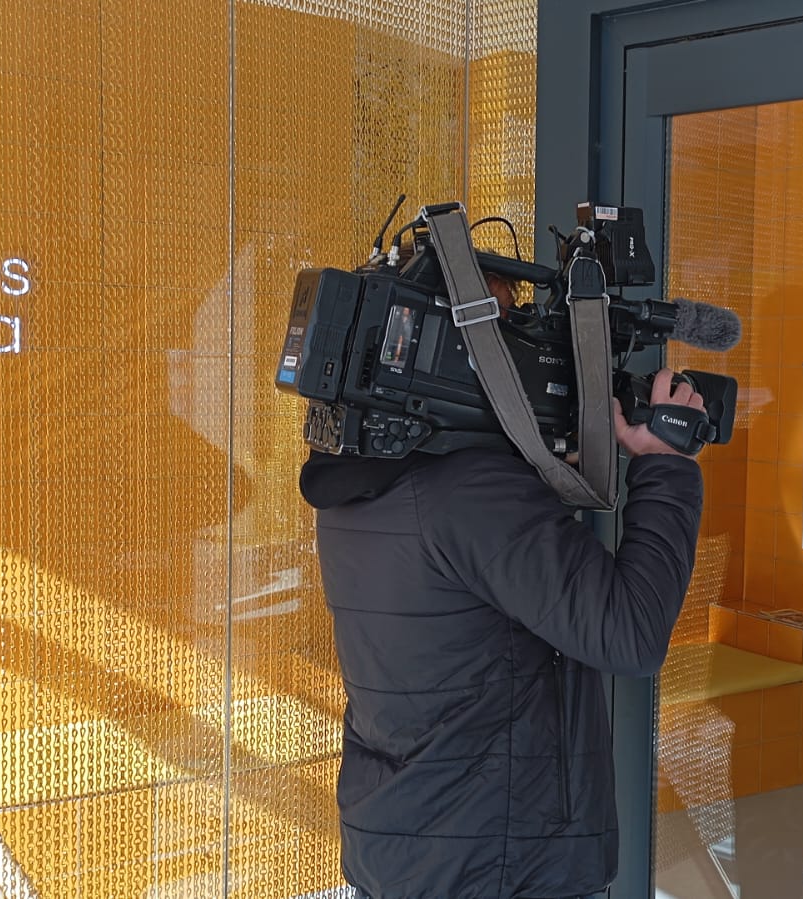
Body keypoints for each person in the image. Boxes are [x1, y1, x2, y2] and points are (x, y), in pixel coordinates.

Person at [300, 362, 707, 899]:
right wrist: (664, 463)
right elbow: (628, 633)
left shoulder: (363, 484)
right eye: (505, 322)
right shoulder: (470, 494)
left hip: (408, 841)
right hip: (498, 863)